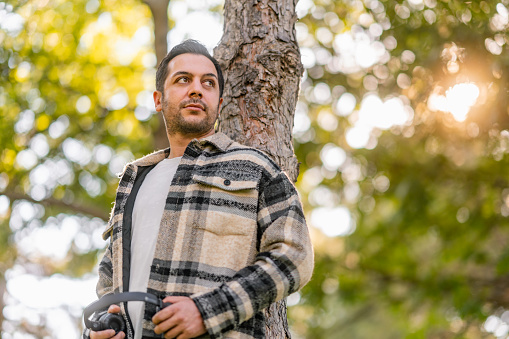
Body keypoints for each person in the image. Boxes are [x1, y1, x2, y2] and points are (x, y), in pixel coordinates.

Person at [84, 39, 314, 339]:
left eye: (208, 82)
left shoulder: (255, 168)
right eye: (183, 80)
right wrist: (100, 329)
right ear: (158, 99)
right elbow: (108, 281)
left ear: (219, 103)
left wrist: (209, 311)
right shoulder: (134, 180)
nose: (196, 89)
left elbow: (294, 255)